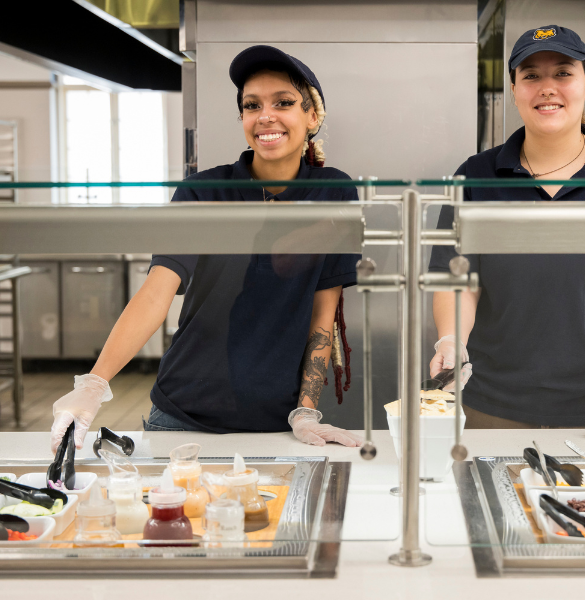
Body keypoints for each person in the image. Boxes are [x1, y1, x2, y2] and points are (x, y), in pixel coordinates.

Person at [49, 46, 363, 452]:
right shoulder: (203, 191)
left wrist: (305, 410)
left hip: (278, 422)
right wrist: (94, 384)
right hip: (183, 416)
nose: (265, 116)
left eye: (283, 103)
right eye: (252, 106)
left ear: (312, 117)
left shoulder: (334, 193)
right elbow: (155, 294)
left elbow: (323, 318)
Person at [429, 26, 585, 443]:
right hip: (490, 406)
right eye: (531, 76)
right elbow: (456, 278)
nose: (547, 88)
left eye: (562, 73)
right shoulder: (476, 175)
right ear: (514, 89)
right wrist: (452, 337)